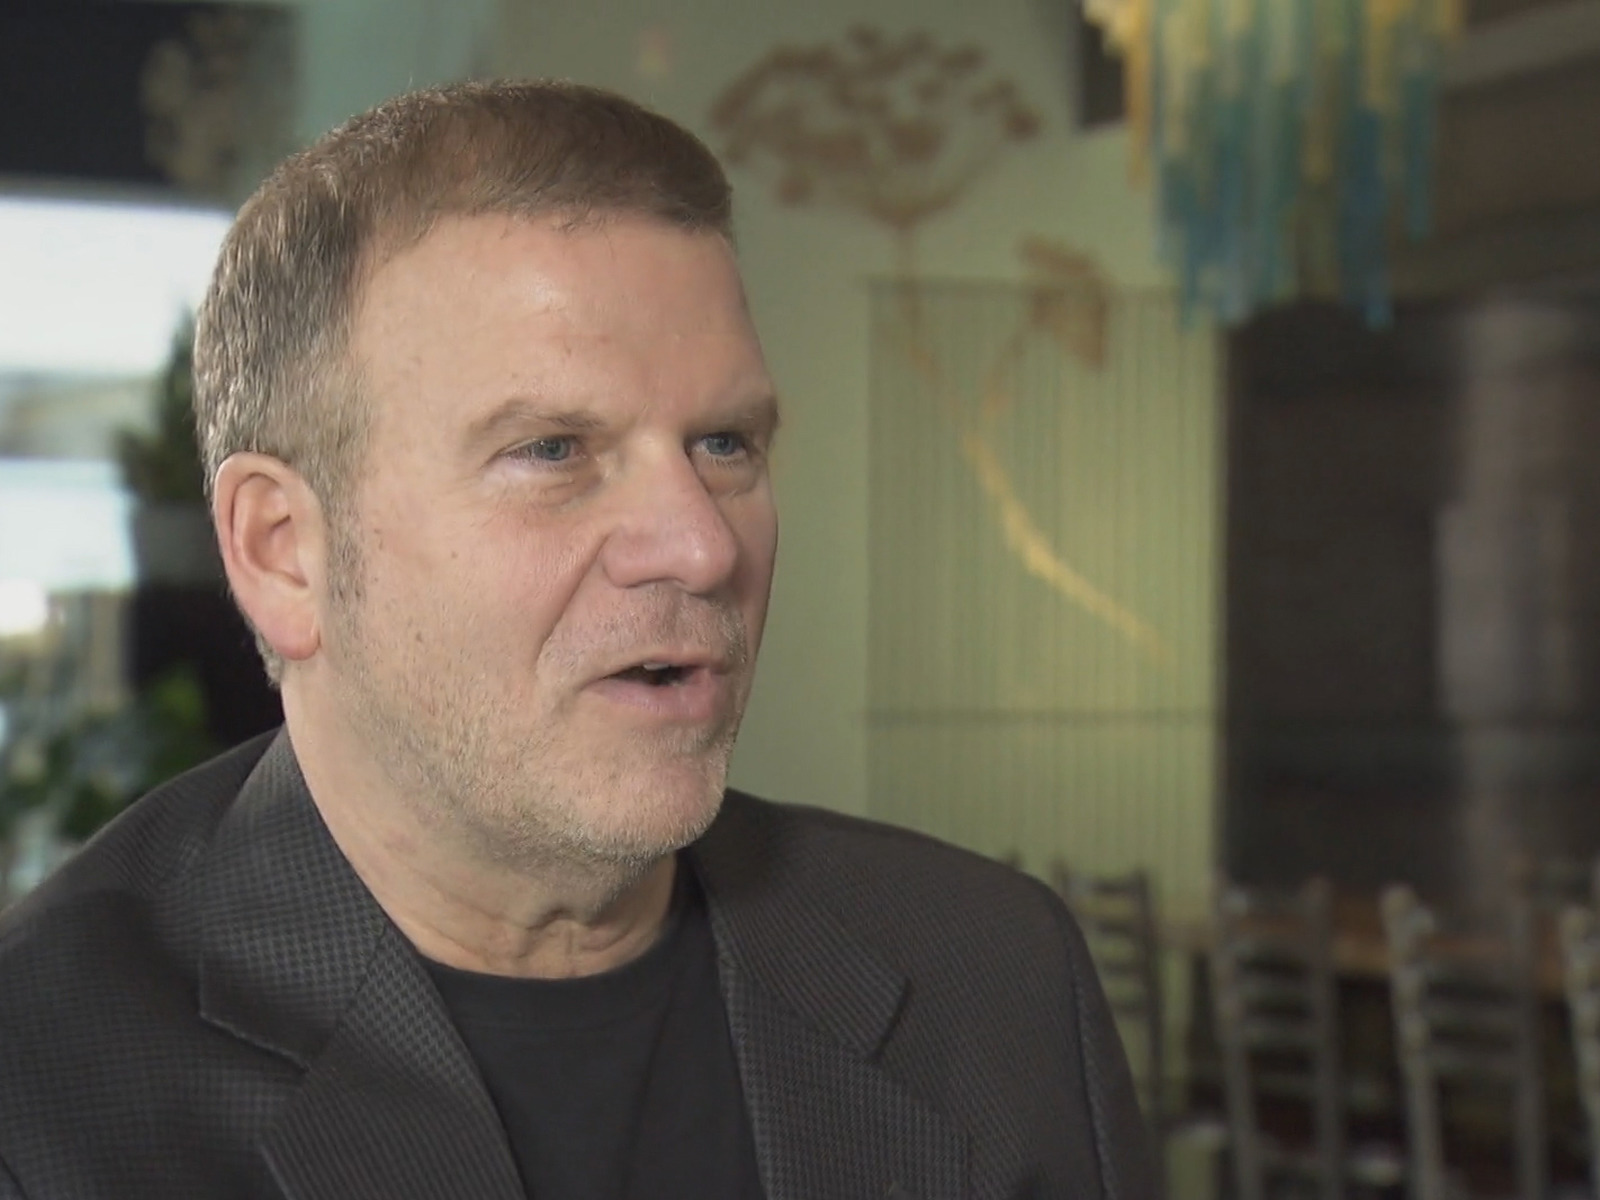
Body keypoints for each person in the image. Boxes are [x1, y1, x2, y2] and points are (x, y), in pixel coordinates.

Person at [0, 81, 1153, 1200]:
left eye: (725, 445)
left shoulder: (992, 979)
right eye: (552, 451)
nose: (700, 546)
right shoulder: (41, 1085)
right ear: (283, 552)